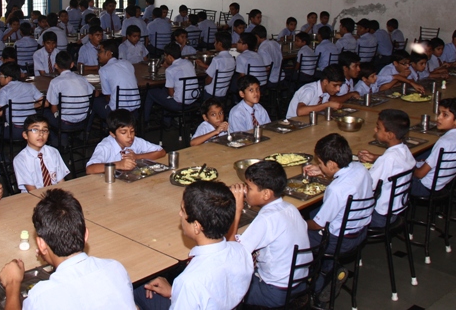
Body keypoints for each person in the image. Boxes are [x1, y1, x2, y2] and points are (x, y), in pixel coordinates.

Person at [0, 188, 136, 310]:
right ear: (85, 235)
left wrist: (12, 284)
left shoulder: (42, 296)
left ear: (41, 245)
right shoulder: (116, 269)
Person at [134, 181, 253, 310]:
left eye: (183, 210)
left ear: (197, 226)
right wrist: (175, 293)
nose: (180, 214)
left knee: (135, 288)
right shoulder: (241, 251)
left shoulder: (189, 281)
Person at [228, 160, 310, 307]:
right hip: (300, 282)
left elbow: (234, 253)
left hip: (275, 292)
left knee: (225, 284)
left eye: (249, 188)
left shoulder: (266, 219)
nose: (245, 191)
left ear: (266, 194)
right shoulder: (290, 208)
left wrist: (237, 210)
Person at [303, 133, 373, 300]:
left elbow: (318, 225)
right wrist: (323, 171)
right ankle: (329, 268)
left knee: (297, 233)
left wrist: (300, 224)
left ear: (332, 164)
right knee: (313, 211)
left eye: (321, 163)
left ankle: (319, 282)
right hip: (360, 232)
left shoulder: (336, 190)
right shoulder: (360, 168)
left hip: (338, 242)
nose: (319, 166)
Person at [356, 109, 416, 227]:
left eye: (378, 128)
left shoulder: (388, 159)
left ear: (390, 135)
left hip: (379, 216)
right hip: (396, 210)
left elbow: (367, 185)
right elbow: (393, 161)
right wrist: (376, 158)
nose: (375, 130)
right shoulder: (405, 150)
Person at [411, 98, 456, 196]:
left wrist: (409, 166)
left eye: (445, 115)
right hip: (443, 185)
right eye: (439, 113)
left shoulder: (444, 142)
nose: (439, 118)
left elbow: (419, 174)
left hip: (424, 187)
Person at [86, 109, 165, 174]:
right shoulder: (105, 146)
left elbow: (161, 152)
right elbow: (90, 169)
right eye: (124, 132)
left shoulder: (135, 141)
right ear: (112, 134)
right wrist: (118, 164)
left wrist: (137, 157)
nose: (130, 136)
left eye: (132, 131)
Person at [12, 116, 70, 193]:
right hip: (33, 197)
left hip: (55, 195)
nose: (41, 134)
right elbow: (32, 191)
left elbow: (61, 182)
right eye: (35, 130)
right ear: (25, 135)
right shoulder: (20, 160)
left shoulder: (53, 152)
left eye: (45, 130)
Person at [143, 43, 198, 122]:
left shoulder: (170, 70)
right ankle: (167, 121)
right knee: (164, 91)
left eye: (165, 56)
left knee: (150, 92)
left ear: (169, 57)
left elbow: (171, 94)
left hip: (179, 104)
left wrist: (168, 68)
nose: (165, 58)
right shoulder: (188, 62)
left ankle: (145, 120)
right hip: (193, 100)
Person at [45, 51, 94, 129]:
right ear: (72, 64)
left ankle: (57, 135)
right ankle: (85, 133)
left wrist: (57, 115)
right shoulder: (82, 79)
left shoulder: (55, 82)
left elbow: (54, 108)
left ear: (56, 66)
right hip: (83, 121)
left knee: (45, 112)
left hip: (65, 124)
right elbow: (95, 93)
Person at [95, 39, 139, 119]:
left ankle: (105, 125)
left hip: (117, 113)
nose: (98, 54)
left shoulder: (104, 70)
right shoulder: (127, 63)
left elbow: (108, 96)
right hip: (135, 110)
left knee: (94, 101)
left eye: (100, 51)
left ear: (108, 53)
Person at [197, 31, 236, 98]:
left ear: (220, 44)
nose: (214, 44)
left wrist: (202, 84)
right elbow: (221, 70)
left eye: (215, 42)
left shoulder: (216, 59)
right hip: (223, 93)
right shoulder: (232, 59)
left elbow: (208, 81)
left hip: (210, 93)